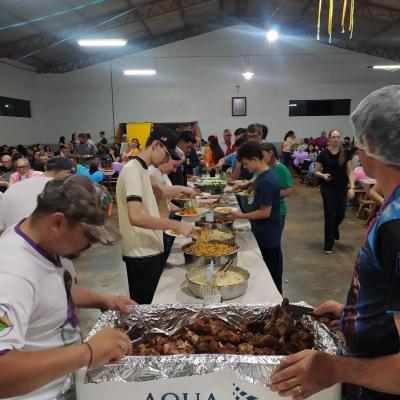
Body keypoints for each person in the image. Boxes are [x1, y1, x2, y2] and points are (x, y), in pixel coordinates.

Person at [270, 85, 400, 400]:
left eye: (357, 140)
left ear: (371, 144)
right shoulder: (391, 205)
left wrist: (334, 369)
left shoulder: (397, 226)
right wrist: (353, 315)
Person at [0, 175, 134, 399]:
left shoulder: (43, 242)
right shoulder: (11, 274)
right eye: (89, 237)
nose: (91, 245)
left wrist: (104, 300)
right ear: (57, 222)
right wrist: (88, 352)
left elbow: (54, 291)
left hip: (66, 382)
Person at [116, 127, 194, 304]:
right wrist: (176, 225)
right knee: (145, 310)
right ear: (157, 145)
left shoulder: (142, 169)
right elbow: (135, 217)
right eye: (167, 155)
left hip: (150, 250)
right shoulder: (132, 170)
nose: (167, 160)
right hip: (141, 253)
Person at [229, 142, 282, 293]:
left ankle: (276, 301)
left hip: (268, 233)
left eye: (246, 163)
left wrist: (239, 215)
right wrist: (246, 185)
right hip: (265, 230)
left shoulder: (266, 181)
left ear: (254, 159)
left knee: (271, 272)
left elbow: (265, 212)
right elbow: (256, 179)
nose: (245, 167)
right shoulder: (263, 173)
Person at [0, 157, 74, 234]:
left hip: (10, 236)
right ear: (66, 172)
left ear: (46, 167)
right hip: (38, 237)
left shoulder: (15, 187)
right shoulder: (58, 188)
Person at [314, 129, 355, 253]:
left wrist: (352, 187)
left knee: (341, 213)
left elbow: (349, 171)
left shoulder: (345, 153)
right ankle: (328, 243)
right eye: (333, 137)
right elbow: (316, 171)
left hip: (342, 186)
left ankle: (334, 227)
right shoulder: (323, 154)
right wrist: (323, 176)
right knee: (329, 214)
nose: (336, 139)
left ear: (340, 138)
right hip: (327, 187)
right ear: (329, 138)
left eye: (338, 137)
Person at [149, 153, 197, 258]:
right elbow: (160, 194)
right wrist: (183, 188)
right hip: (155, 226)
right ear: (166, 159)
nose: (175, 170)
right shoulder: (151, 172)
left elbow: (164, 201)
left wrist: (180, 210)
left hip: (163, 224)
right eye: (174, 165)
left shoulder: (162, 172)